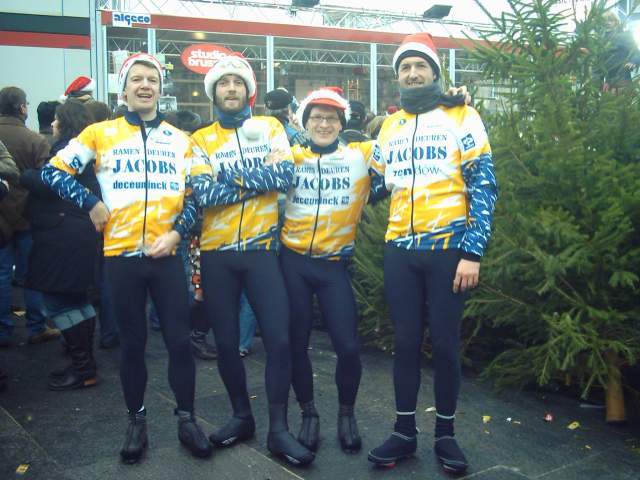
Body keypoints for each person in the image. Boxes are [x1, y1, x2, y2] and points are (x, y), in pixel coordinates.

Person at [41, 53, 212, 463]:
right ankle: (136, 421)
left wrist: (176, 233)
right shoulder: (101, 133)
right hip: (120, 258)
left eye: (152, 79)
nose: (145, 85)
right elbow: (52, 171)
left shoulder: (181, 140)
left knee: (178, 344)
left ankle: (187, 419)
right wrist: (90, 203)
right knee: (133, 345)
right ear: (125, 88)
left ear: (160, 88)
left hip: (166, 256)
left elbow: (201, 193)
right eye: (137, 78)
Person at [366, 33, 498, 475]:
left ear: (435, 72)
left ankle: (446, 435)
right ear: (397, 77)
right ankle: (404, 432)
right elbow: (375, 184)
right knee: (404, 343)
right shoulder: (390, 125)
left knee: (443, 344)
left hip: (448, 250)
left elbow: (484, 185)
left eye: (420, 65)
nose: (412, 73)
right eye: (404, 67)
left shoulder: (462, 115)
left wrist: (473, 252)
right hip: (400, 250)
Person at [191, 53, 314, 466]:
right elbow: (202, 194)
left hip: (263, 251)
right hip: (217, 254)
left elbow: (283, 177)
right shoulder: (200, 140)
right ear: (214, 92)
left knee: (278, 340)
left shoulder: (270, 127)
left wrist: (227, 179)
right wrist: (253, 181)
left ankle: (278, 429)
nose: (230, 89)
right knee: (226, 344)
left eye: (237, 83)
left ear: (248, 91)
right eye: (222, 84)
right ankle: (242, 417)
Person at [279, 87, 386, 454]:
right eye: (316, 117)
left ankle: (346, 414)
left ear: (342, 123)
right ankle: (308, 413)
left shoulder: (362, 155)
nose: (323, 123)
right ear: (305, 122)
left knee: (348, 347)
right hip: (292, 262)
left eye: (331, 118)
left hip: (334, 265)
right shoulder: (289, 158)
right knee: (296, 344)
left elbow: (403, 142)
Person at [21, 100, 100, 391]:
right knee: (77, 299)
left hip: (61, 234)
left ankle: (83, 367)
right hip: (79, 232)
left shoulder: (68, 150)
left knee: (57, 301)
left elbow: (49, 182)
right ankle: (85, 364)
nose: (52, 125)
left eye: (55, 120)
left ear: (63, 122)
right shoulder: (93, 149)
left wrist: (27, 176)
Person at [0, 86, 59, 347]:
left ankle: (3, 329)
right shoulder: (35, 140)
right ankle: (36, 325)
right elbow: (45, 182)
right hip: (27, 216)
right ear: (22, 108)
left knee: (2, 274)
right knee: (32, 274)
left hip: (1, 215)